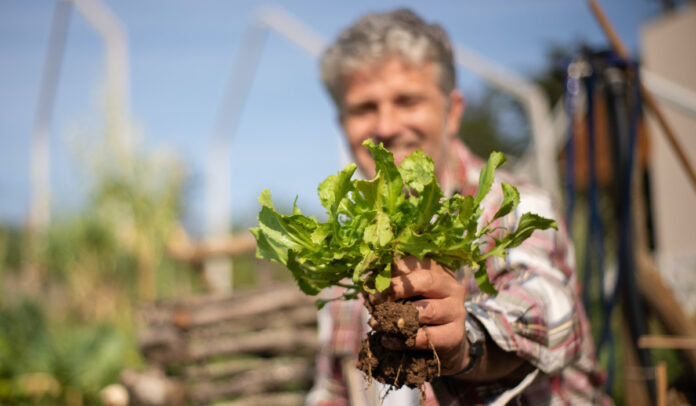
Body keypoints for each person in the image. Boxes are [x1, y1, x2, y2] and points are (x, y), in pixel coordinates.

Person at [307, 9, 609, 406]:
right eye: (364, 108)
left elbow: (551, 310)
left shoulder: (506, 206)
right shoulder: (349, 255)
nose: (385, 126)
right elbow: (333, 390)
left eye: (407, 100)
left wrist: (465, 344)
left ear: (453, 112)